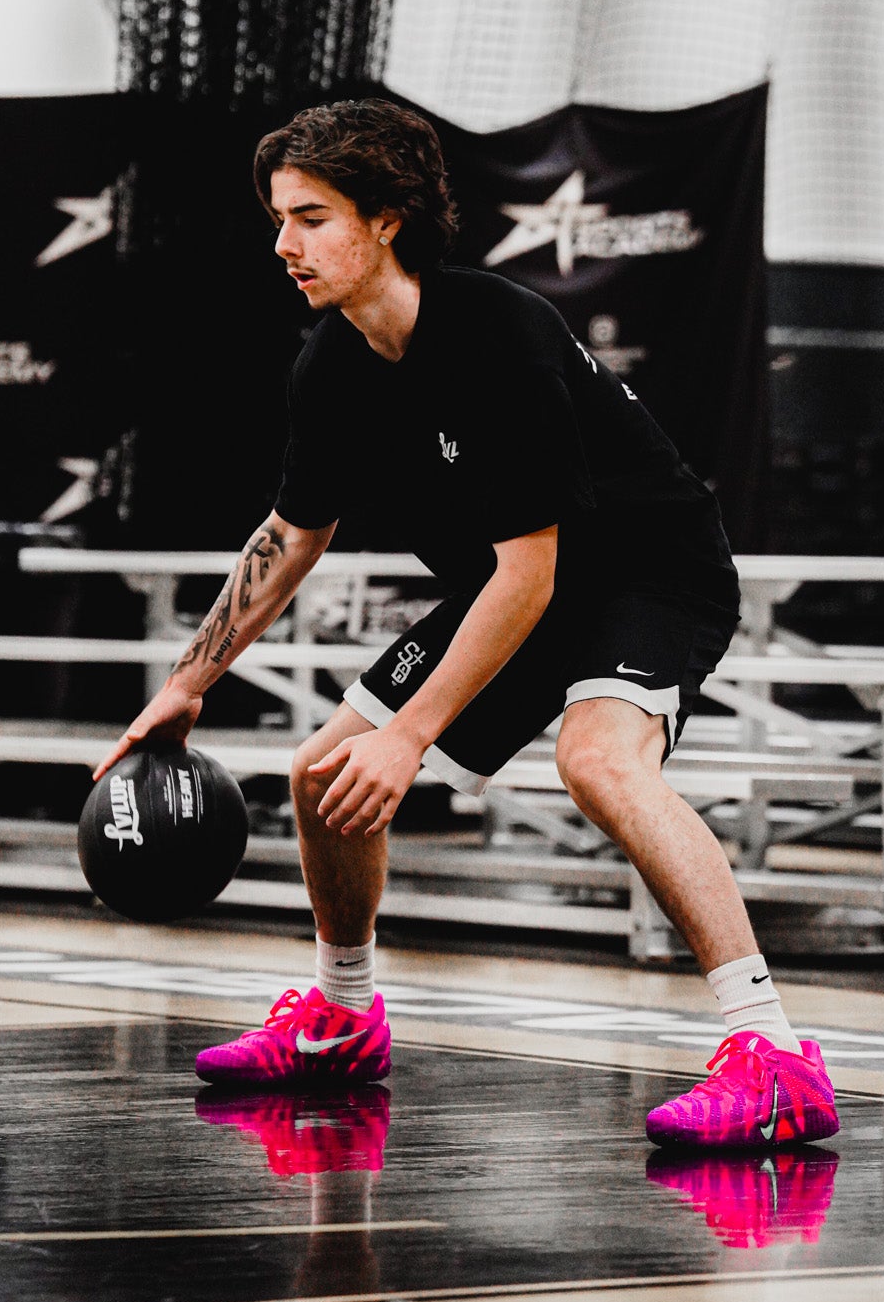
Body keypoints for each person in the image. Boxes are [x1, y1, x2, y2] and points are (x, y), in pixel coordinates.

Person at [94, 98, 838, 1147]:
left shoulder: (500, 333)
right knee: (322, 775)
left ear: (387, 218)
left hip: (644, 573)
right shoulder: (332, 364)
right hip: (521, 580)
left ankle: (773, 1054)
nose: (284, 243)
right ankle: (343, 1017)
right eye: (278, 218)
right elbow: (289, 537)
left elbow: (533, 579)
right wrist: (186, 680)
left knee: (601, 761)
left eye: (310, 216)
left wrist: (411, 734)